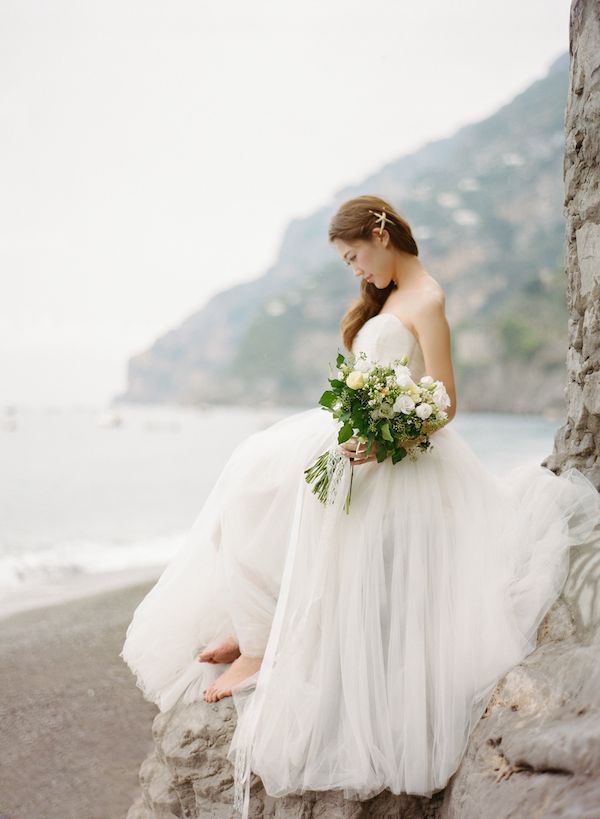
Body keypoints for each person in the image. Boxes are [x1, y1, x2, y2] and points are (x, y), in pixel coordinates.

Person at [120, 195, 600, 818]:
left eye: (354, 257)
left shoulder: (426, 298)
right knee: (250, 486)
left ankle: (262, 644)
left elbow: (446, 400)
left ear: (380, 232)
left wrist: (389, 436)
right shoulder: (384, 298)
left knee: (262, 488)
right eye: (347, 264)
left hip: (397, 451)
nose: (356, 271)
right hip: (356, 437)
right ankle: (256, 620)